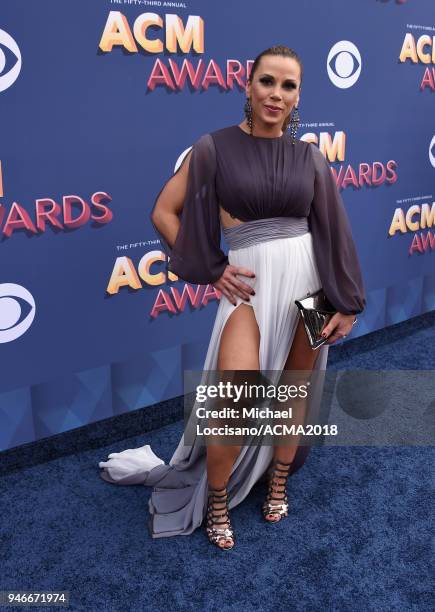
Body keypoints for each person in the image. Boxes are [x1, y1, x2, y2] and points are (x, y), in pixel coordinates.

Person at [99, 45, 366, 551]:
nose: (276, 94)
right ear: (248, 85)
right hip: (251, 288)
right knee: (235, 402)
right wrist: (214, 268)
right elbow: (163, 212)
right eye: (268, 81)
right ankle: (217, 498)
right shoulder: (214, 148)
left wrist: (347, 302)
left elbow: (334, 229)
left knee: (293, 393)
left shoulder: (310, 156)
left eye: (288, 86)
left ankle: (279, 480)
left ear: (298, 96)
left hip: (310, 286)